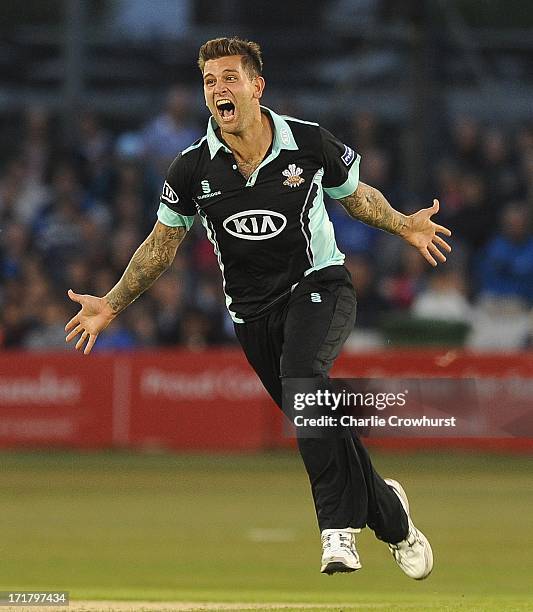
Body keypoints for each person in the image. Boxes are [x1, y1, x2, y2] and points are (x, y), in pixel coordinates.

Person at [65, 37, 451, 578]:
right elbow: (160, 247)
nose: (218, 89)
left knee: (304, 379)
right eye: (208, 82)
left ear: (255, 86)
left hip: (320, 285)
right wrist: (112, 302)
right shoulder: (190, 169)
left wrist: (405, 224)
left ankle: (336, 532)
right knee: (319, 414)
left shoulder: (308, 143)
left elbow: (356, 196)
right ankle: (395, 521)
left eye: (229, 77)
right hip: (252, 317)